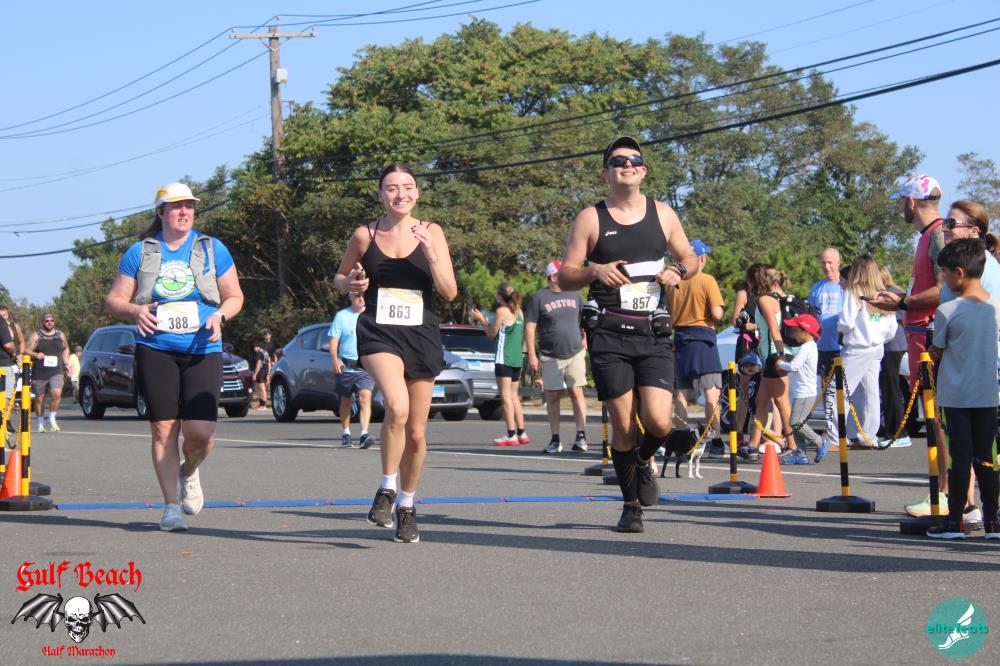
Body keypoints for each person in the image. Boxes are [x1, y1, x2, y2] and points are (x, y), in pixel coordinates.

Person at [558, 136, 696, 533]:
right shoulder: (591, 218)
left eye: (634, 159)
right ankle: (630, 505)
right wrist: (594, 271)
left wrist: (678, 270)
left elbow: (691, 257)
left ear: (644, 170)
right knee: (622, 426)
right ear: (606, 172)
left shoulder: (663, 213)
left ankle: (643, 460)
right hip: (610, 334)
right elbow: (565, 276)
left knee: (658, 421)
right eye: (618, 161)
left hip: (652, 331)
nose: (627, 165)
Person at [105, 182, 244, 532]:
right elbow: (114, 301)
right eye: (176, 206)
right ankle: (170, 508)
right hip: (156, 347)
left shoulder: (211, 248)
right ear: (160, 212)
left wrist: (220, 316)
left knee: (201, 433)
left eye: (189, 206)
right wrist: (135, 310)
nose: (184, 212)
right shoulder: (140, 252)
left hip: (202, 347)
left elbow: (235, 296)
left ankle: (189, 471)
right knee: (163, 428)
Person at [334, 163, 457, 544]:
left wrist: (431, 253)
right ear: (381, 195)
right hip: (379, 332)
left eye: (407, 187)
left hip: (421, 334)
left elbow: (450, 292)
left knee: (416, 434)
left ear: (417, 193)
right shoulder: (365, 234)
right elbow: (339, 278)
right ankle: (386, 488)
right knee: (397, 407)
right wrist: (351, 282)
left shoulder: (433, 232)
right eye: (391, 188)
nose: (400, 194)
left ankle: (406, 505)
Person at [872, 175, 948, 515]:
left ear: (913, 202)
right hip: (920, 335)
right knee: (934, 418)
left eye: (903, 200)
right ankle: (946, 492)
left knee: (939, 418)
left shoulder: (938, 235)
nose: (902, 206)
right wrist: (902, 299)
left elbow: (945, 289)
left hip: (931, 338)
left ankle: (947, 493)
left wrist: (903, 302)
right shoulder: (927, 236)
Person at [925, 238, 1000, 539]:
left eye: (945, 274)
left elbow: (938, 349)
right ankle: (993, 520)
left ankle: (955, 520)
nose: (944, 280)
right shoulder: (995, 306)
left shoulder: (948, 310)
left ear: (959, 272)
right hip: (986, 393)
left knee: (960, 457)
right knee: (986, 457)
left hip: (956, 395)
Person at [831, 256, 897, 454]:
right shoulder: (883, 293)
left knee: (838, 392)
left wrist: (842, 330)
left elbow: (846, 322)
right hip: (877, 347)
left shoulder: (854, 291)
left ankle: (835, 437)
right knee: (871, 392)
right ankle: (868, 436)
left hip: (857, 347)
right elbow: (891, 328)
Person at [666, 239, 725, 456]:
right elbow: (717, 314)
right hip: (703, 339)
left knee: (682, 394)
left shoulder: (672, 284)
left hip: (681, 339)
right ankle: (715, 439)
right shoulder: (707, 280)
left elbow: (668, 312)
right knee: (711, 393)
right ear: (700, 258)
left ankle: (681, 439)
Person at [524, 261, 589, 454]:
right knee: (552, 396)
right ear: (553, 276)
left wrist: (585, 338)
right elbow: (530, 327)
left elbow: (583, 318)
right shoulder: (539, 298)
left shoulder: (575, 293)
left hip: (575, 352)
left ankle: (581, 436)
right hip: (550, 355)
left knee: (576, 392)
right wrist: (532, 354)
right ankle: (555, 439)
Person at [746, 265, 804, 463]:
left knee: (781, 402)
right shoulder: (778, 297)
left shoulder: (765, 299)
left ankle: (793, 446)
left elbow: (774, 329)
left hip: (775, 354)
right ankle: (753, 445)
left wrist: (779, 356)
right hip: (774, 355)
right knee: (761, 401)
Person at [471, 283, 528, 446]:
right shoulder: (519, 312)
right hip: (517, 359)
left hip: (504, 358)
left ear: (500, 297)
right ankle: (522, 433)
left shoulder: (502, 311)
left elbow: (492, 334)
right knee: (514, 397)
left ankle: (511, 434)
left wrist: (482, 320)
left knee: (505, 397)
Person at [328, 291, 376, 449]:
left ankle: (364, 434)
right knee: (346, 400)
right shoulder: (342, 316)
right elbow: (334, 341)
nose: (361, 298)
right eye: (357, 296)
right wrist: (335, 359)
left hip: (365, 366)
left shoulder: (371, 315)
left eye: (363, 295)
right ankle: (346, 433)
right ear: (350, 297)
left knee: (365, 398)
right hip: (346, 367)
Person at [807, 248, 844, 455]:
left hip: (842, 348)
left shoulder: (844, 287)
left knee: (843, 393)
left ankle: (845, 433)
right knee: (828, 393)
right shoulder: (817, 288)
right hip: (822, 348)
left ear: (838, 262)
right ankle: (832, 434)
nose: (827, 266)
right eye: (824, 262)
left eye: (830, 262)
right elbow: (810, 315)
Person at [775, 314, 821, 463]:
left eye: (796, 330)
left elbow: (794, 366)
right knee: (795, 423)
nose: (793, 333)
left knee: (796, 422)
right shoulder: (810, 347)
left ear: (806, 331)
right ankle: (801, 455)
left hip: (805, 392)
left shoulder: (806, 348)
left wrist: (780, 364)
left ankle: (819, 441)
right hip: (803, 391)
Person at [876, 266, 909, 448]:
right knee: (887, 389)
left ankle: (897, 432)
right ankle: (888, 429)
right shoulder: (886, 293)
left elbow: (900, 314)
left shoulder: (894, 293)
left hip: (893, 345)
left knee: (892, 389)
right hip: (886, 346)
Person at [26, 314, 71, 433]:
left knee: (56, 393)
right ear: (43, 322)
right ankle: (40, 422)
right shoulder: (36, 335)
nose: (49, 322)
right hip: (40, 371)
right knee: (40, 398)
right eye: (47, 321)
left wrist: (66, 363)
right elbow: (26, 350)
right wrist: (36, 354)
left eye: (52, 320)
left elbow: (66, 348)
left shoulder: (60, 335)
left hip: (56, 370)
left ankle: (52, 419)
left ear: (54, 322)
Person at [0, 305, 17, 401]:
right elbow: (8, 345)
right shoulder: (1, 322)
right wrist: (14, 352)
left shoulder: (14, 326)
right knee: (4, 398)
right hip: (3, 364)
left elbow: (22, 341)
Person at [251, 341, 270, 409]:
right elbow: (269, 362)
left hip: (261, 372)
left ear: (258, 347)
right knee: (257, 387)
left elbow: (258, 365)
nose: (254, 349)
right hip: (265, 370)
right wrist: (268, 373)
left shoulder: (259, 353)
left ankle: (263, 405)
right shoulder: (265, 352)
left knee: (261, 388)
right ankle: (261, 403)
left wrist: (255, 374)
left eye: (255, 347)